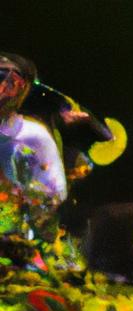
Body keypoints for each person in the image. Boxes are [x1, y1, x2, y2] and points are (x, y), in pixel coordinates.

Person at [0, 53, 67, 243]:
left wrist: (22, 189)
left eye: (7, 79)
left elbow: (56, 195)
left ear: (20, 87)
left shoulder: (35, 136)